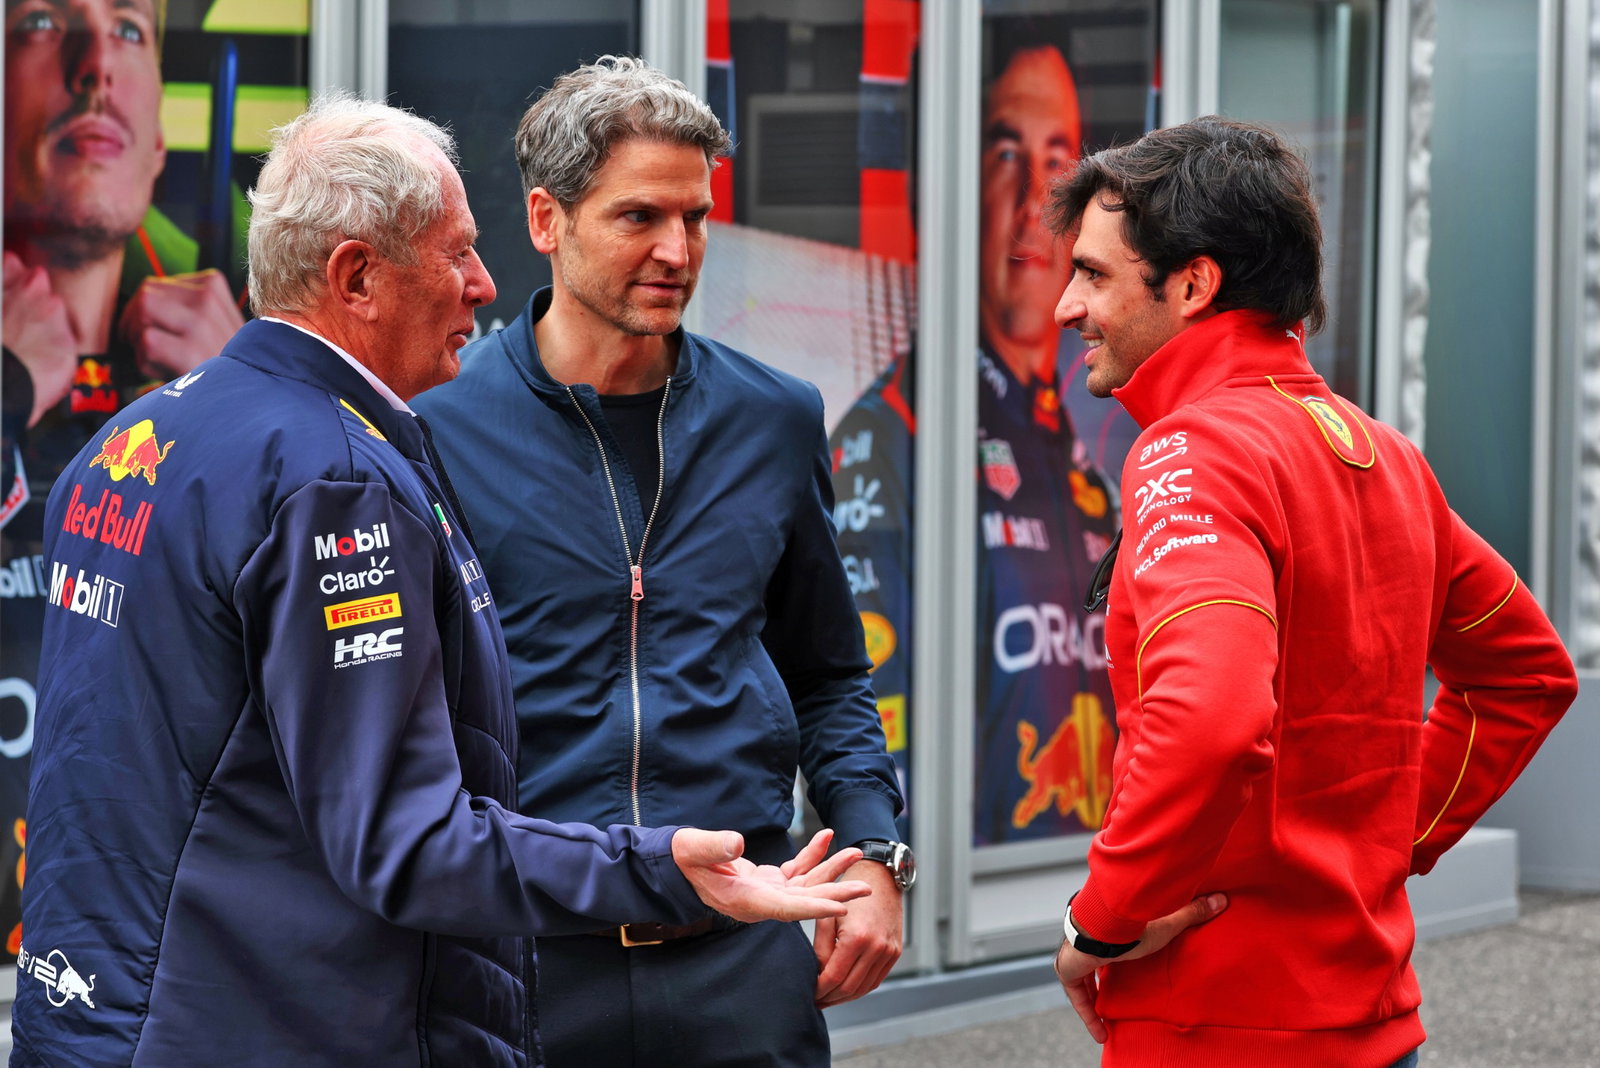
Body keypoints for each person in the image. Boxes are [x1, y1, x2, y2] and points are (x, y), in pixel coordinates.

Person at [12, 94, 875, 1067]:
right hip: (265, 1019)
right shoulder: (336, 477)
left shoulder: (132, 436)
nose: (482, 282)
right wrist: (664, 869)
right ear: (357, 278)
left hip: (105, 1018)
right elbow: (406, 841)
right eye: (456, 252)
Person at [1045, 116, 1578, 1066]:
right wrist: (1373, 840)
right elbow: (1528, 673)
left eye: (1092, 273)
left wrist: (1102, 921)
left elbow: (1211, 717)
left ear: (1193, 284)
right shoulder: (1388, 456)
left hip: (1219, 1023)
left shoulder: (1193, 449)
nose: (1064, 307)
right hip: (1371, 1019)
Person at [412, 56, 906, 1067]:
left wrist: (872, 851)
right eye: (640, 216)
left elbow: (826, 674)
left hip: (741, 956)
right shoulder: (438, 434)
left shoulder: (774, 418)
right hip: (532, 960)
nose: (677, 250)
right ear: (548, 221)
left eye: (696, 218)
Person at [830, 40, 1117, 847]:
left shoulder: (1087, 465)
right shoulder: (887, 439)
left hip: (1089, 905)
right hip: (962, 909)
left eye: (1059, 160)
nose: (1034, 196)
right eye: (1004, 153)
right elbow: (865, 741)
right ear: (942, 189)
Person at [2, 0, 246, 935]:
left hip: (161, 948)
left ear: (155, 150)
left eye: (130, 30)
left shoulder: (235, 372)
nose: (93, 63)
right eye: (39, 23)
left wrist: (249, 404)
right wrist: (9, 388)